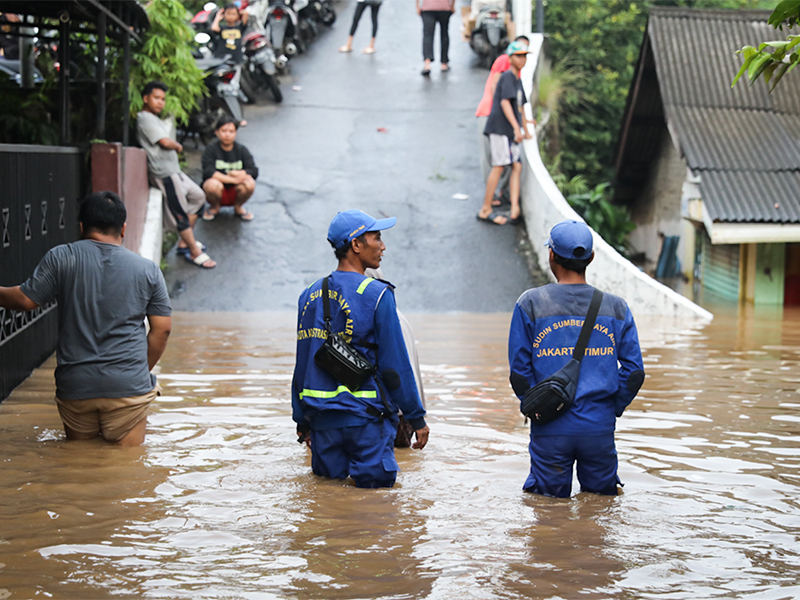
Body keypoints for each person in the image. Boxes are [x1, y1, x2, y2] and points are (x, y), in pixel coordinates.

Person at [0, 192, 172, 446]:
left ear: (81, 226)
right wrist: (135, 371)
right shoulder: (147, 270)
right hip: (127, 388)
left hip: (76, 386)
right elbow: (162, 330)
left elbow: (25, 300)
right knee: (128, 471)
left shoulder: (62, 258)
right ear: (123, 228)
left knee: (80, 465)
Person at [292, 209, 430, 488]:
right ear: (356, 245)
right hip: (367, 421)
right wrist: (416, 418)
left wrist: (301, 420)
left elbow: (302, 363)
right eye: (377, 237)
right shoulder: (378, 294)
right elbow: (395, 366)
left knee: (329, 504)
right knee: (376, 509)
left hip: (322, 421)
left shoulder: (308, 295)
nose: (383, 246)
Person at [508, 220, 645, 497]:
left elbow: (519, 373)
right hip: (599, 427)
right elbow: (633, 372)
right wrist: (609, 408)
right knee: (599, 511)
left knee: (548, 513)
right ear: (591, 258)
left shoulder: (530, 303)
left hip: (550, 428)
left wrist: (538, 409)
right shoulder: (617, 307)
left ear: (551, 256)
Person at [136, 81, 217, 269]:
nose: (160, 103)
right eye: (156, 98)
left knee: (198, 197)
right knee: (180, 213)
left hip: (174, 171)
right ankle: (194, 251)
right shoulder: (145, 118)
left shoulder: (155, 118)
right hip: (164, 173)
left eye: (163, 99)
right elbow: (164, 142)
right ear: (145, 98)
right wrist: (178, 145)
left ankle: (184, 242)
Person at [478, 41, 533, 226]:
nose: (522, 59)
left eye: (525, 55)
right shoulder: (508, 77)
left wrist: (525, 126)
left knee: (516, 166)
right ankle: (485, 209)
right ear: (510, 58)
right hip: (501, 128)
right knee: (499, 166)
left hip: (509, 131)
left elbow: (520, 106)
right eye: (519, 55)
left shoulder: (517, 80)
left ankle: (515, 209)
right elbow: (504, 103)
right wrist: (517, 128)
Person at [201, 116, 257, 221]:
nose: (227, 134)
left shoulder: (242, 150)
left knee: (250, 183)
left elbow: (254, 171)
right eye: (224, 131)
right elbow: (208, 171)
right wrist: (232, 179)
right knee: (211, 185)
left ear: (236, 133)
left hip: (236, 190)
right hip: (217, 190)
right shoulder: (211, 150)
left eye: (231, 131)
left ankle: (238, 207)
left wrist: (240, 173)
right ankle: (215, 207)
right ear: (217, 132)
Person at [416, 0, 455, 76]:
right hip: (444, 8)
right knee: (444, 35)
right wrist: (452, 5)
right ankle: (444, 63)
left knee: (428, 36)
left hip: (428, 7)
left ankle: (427, 64)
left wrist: (417, 6)